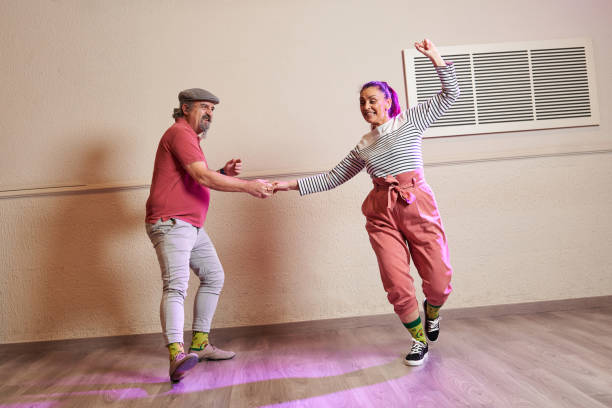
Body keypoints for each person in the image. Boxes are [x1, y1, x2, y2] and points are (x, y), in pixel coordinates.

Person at [274, 39, 459, 366]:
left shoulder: (411, 122)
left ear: (388, 102)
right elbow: (332, 178)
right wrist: (282, 185)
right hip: (381, 211)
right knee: (395, 281)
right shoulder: (363, 145)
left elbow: (450, 95)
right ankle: (418, 341)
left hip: (416, 202)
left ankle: (433, 310)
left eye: (372, 100)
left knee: (440, 281)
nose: (366, 106)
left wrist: (436, 59)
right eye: (361, 102)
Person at [145, 88, 274, 382]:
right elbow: (202, 178)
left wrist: (223, 172)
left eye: (213, 109)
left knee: (213, 276)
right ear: (185, 107)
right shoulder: (179, 133)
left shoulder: (189, 138)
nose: (210, 114)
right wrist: (249, 186)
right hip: (172, 222)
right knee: (176, 286)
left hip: (189, 225)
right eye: (205, 107)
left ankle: (199, 344)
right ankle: (176, 354)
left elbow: (196, 175)